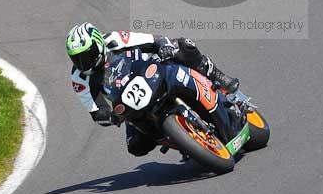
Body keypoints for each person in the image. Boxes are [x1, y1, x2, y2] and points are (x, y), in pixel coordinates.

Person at [65, 23, 241, 156]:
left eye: (86, 55)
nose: (83, 62)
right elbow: (96, 111)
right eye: (77, 59)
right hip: (131, 106)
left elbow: (154, 40)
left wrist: (164, 48)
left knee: (183, 45)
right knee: (136, 147)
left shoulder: (114, 39)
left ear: (97, 42)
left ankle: (218, 76)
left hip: (153, 72)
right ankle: (184, 140)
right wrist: (110, 116)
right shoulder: (79, 77)